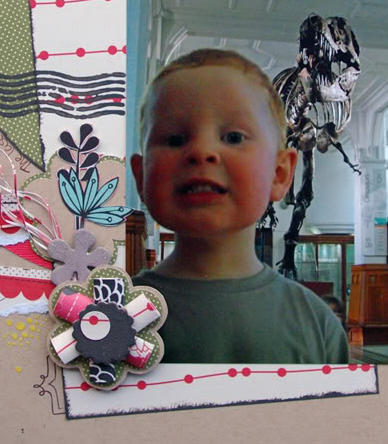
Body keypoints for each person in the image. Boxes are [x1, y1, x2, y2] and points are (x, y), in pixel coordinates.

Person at [130, 48, 349, 364]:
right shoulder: (109, 319)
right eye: (175, 140)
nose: (202, 151)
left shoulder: (318, 326)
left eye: (233, 137)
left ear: (279, 174)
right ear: (141, 176)